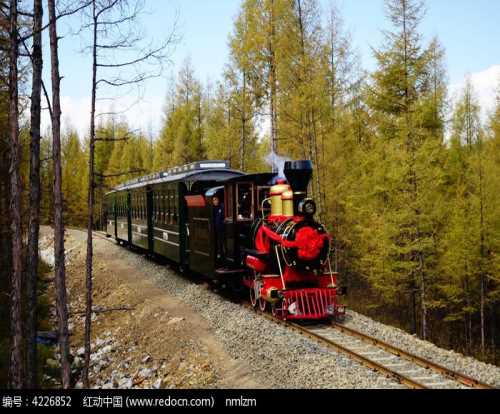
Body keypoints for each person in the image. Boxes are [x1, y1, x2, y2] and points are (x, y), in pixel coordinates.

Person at [213, 195, 225, 261]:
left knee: (221, 242)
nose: (214, 201)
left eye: (215, 200)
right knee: (217, 242)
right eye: (213, 200)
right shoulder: (213, 208)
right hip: (216, 228)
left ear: (218, 200)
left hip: (222, 228)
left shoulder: (222, 206)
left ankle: (222, 255)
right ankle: (218, 254)